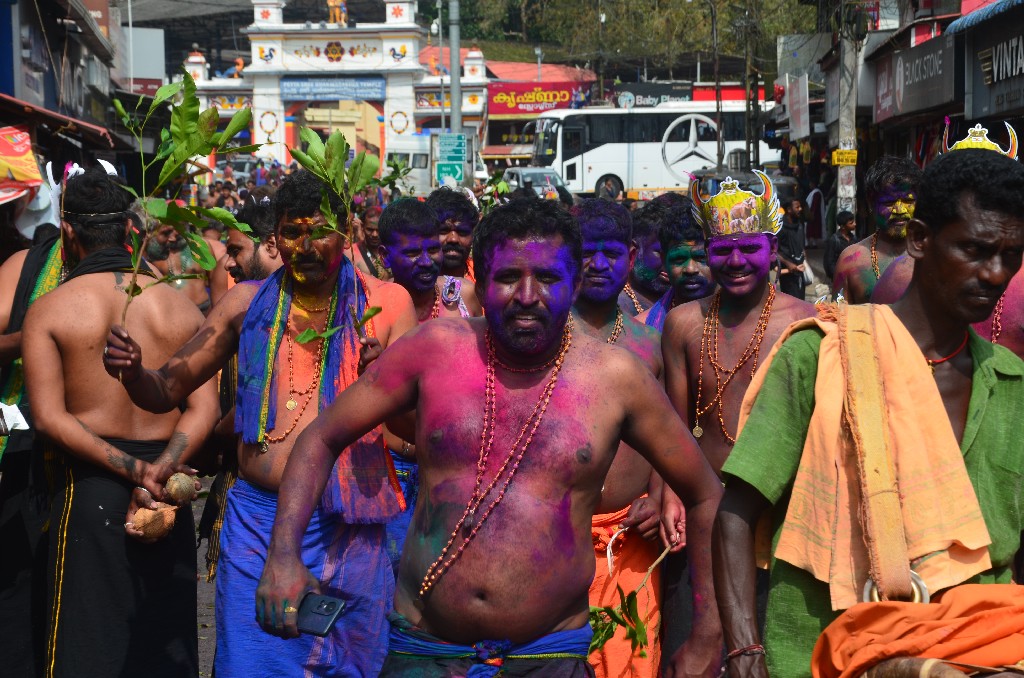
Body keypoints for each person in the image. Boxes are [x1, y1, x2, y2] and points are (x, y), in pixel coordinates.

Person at [255, 197, 725, 677]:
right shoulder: (435, 348)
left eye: (547, 278)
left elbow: (705, 492)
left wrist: (708, 628)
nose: (526, 295)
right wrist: (283, 556)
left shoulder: (616, 377)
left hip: (549, 655)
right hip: (425, 648)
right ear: (480, 281)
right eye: (507, 278)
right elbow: (320, 438)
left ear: (575, 283)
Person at [713, 149, 1024, 677]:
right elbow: (735, 515)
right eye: (974, 249)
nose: (995, 274)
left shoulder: (1013, 386)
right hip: (823, 654)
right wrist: (745, 653)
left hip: (979, 656)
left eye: (1011, 256)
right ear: (921, 239)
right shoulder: (821, 357)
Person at [102, 170, 418, 677]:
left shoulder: (386, 305)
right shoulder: (246, 304)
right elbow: (165, 391)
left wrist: (379, 380)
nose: (306, 246)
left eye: (320, 231)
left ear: (349, 229)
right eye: (293, 232)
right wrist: (134, 371)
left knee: (353, 667)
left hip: (349, 529)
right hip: (257, 524)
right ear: (275, 236)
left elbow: (414, 432)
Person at [21, 165, 220, 678]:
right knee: (164, 649)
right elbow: (204, 410)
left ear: (68, 234)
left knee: (87, 654)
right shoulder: (180, 308)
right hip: (169, 494)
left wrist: (134, 473)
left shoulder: (50, 311)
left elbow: (47, 418)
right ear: (132, 231)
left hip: (94, 492)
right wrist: (160, 470)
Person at [658, 174, 815, 661]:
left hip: (780, 513)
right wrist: (668, 495)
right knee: (695, 650)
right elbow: (675, 427)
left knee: (772, 649)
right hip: (703, 510)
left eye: (749, 248)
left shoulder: (805, 321)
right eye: (722, 249)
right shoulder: (685, 322)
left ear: (771, 248)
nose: (736, 261)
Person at [569, 198, 676, 677]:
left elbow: (671, 437)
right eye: (586, 253)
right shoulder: (545, 334)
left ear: (631, 257)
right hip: (557, 536)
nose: (598, 265)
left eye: (610, 254)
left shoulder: (651, 342)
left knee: (630, 660)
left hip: (631, 537)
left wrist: (658, 496)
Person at [376, 197, 481, 578]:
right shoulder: (373, 305)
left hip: (451, 466)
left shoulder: (463, 295)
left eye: (431, 249)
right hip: (391, 469)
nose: (425, 261)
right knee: (392, 577)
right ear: (385, 255)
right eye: (412, 252)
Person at [199, 189, 284, 581]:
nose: (227, 263)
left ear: (270, 245)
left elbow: (261, 399)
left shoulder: (289, 307)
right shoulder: (242, 302)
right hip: (242, 479)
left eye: (235, 250)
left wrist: (214, 436)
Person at [0, 222, 60, 677]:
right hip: (18, 444)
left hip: (86, 462)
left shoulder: (140, 272)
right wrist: (35, 334)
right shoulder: (29, 265)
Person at [831, 156, 922, 303]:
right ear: (871, 204)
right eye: (889, 202)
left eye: (908, 201)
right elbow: (837, 322)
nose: (899, 210)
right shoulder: (851, 261)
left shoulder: (936, 255)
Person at [637, 201, 716, 331]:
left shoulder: (744, 321)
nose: (690, 269)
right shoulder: (643, 329)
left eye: (701, 258)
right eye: (679, 259)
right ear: (664, 260)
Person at [144, 213, 228, 314]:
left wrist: (217, 312)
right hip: (173, 313)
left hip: (203, 310)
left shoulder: (200, 246)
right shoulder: (155, 254)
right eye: (167, 232)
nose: (174, 236)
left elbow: (214, 280)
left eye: (178, 227)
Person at [618, 201, 671, 317]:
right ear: (633, 251)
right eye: (660, 253)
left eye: (678, 255)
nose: (669, 262)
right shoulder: (617, 306)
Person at [425, 186, 481, 281]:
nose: (453, 239)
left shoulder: (483, 279)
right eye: (443, 230)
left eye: (462, 232)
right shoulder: (409, 285)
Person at [776, 198, 807, 299]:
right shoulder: (780, 228)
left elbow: (801, 245)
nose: (800, 209)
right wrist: (788, 264)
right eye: (797, 207)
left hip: (800, 270)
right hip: (787, 273)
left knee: (801, 300)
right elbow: (774, 250)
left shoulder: (800, 225)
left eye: (800, 206)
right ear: (789, 210)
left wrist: (804, 258)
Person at [352, 205, 392, 281]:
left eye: (378, 230)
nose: (374, 234)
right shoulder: (352, 252)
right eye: (370, 229)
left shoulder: (392, 250)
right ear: (362, 227)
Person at [823, 210, 855, 284]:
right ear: (843, 226)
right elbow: (829, 262)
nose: (855, 224)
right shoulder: (834, 240)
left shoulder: (854, 238)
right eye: (851, 223)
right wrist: (836, 276)